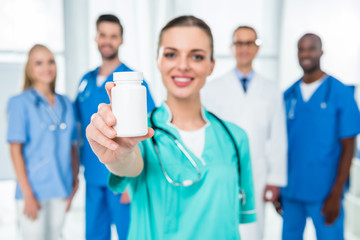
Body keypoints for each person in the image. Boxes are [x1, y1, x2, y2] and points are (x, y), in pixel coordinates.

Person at [86, 15, 256, 239]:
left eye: (196, 56)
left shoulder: (236, 138)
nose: (183, 65)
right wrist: (120, 154)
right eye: (171, 54)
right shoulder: (139, 133)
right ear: (158, 61)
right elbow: (130, 163)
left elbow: (239, 219)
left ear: (211, 65)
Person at [74, 14, 155, 240]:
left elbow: (147, 131)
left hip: (122, 179)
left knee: (128, 234)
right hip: (92, 177)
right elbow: (77, 128)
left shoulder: (131, 82)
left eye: (113, 36)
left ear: (121, 40)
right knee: (94, 235)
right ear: (96, 38)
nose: (107, 41)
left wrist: (131, 181)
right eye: (103, 35)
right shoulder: (85, 81)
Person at [202, 26, 287, 239]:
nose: (244, 48)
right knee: (220, 224)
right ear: (232, 47)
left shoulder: (271, 89)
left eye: (249, 43)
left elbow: (278, 136)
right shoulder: (212, 89)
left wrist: (275, 178)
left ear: (257, 48)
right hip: (221, 168)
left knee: (253, 228)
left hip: (258, 170)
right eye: (239, 43)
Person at [280, 33, 360, 240]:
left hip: (326, 193)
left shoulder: (340, 93)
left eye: (311, 48)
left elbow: (348, 148)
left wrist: (336, 193)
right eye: (301, 49)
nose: (306, 54)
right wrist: (277, 184)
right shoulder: (288, 95)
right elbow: (278, 145)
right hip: (291, 191)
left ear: (321, 52)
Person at [7, 44, 79, 240]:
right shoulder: (19, 103)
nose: (46, 67)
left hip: (61, 185)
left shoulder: (66, 103)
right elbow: (15, 150)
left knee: (56, 235)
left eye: (50, 62)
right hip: (34, 189)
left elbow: (72, 145)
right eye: (39, 63)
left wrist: (75, 180)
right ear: (30, 69)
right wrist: (27, 194)